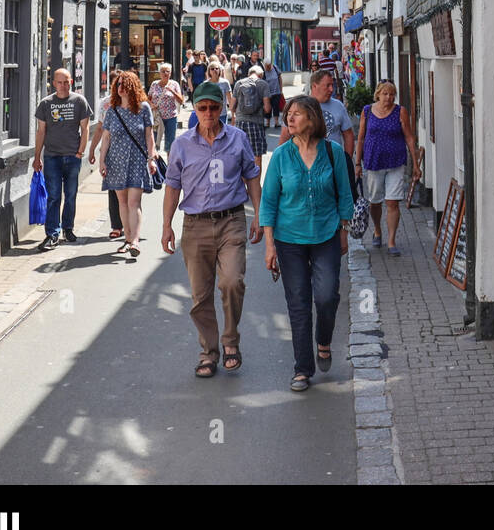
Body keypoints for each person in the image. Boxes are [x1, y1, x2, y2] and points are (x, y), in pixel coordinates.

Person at [162, 82, 263, 378]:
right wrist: (166, 226)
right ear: (195, 109)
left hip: (231, 220)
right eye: (203, 108)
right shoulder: (181, 144)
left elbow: (252, 177)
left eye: (214, 108)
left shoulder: (238, 138)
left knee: (231, 281)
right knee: (200, 294)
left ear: (223, 108)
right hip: (195, 226)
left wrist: (259, 215)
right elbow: (172, 187)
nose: (208, 113)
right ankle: (208, 352)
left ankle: (230, 340)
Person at [261, 95, 353, 392]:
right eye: (289, 113)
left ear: (312, 119)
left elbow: (345, 194)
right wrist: (269, 244)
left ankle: (323, 341)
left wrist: (343, 229)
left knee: (327, 296)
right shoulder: (281, 156)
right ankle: (302, 369)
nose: (290, 118)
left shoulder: (333, 152)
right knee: (298, 304)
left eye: (297, 114)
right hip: (289, 240)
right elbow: (269, 201)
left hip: (326, 234)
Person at [96, 70, 157, 258]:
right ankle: (128, 239)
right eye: (118, 85)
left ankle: (136, 241)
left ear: (132, 87)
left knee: (133, 202)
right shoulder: (112, 111)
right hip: (115, 161)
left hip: (137, 161)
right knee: (122, 202)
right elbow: (106, 137)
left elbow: (149, 134)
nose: (120, 88)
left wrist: (151, 157)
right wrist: (102, 161)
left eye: (124, 84)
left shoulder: (143, 108)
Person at [354, 81, 418, 256]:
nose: (389, 98)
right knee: (375, 201)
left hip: (395, 162)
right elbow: (360, 138)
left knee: (392, 201)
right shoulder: (367, 111)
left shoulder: (400, 111)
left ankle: (391, 241)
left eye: (392, 94)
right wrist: (357, 163)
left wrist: (416, 164)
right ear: (378, 94)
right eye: (385, 94)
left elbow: (409, 138)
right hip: (374, 162)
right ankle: (377, 230)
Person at [33, 69, 92, 250]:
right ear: (53, 83)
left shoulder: (79, 101)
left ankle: (68, 228)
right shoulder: (46, 104)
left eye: (66, 82)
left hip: (72, 157)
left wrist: (80, 153)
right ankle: (52, 234)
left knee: (71, 195)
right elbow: (41, 132)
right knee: (54, 196)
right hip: (52, 157)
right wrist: (37, 157)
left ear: (71, 82)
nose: (63, 86)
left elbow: (85, 129)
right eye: (60, 82)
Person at [87, 77, 124, 239]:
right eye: (116, 85)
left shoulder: (136, 103)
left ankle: (131, 225)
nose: (119, 88)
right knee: (113, 189)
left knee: (132, 192)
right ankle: (117, 225)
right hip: (110, 152)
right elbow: (100, 128)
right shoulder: (106, 103)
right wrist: (92, 149)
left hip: (132, 154)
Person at [229, 63, 271, 167]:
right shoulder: (263, 84)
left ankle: (242, 182)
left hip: (240, 123)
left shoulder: (239, 83)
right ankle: (256, 182)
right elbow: (267, 108)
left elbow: (231, 107)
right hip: (256, 124)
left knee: (241, 155)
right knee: (257, 156)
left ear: (249, 74)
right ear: (260, 75)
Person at [148, 62, 184, 153]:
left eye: (167, 71)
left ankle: (170, 165)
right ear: (159, 73)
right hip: (157, 117)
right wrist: (152, 105)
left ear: (170, 73)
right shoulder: (154, 84)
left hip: (171, 117)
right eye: (163, 71)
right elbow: (147, 99)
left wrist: (172, 91)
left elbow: (181, 101)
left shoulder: (174, 84)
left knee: (170, 144)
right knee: (155, 142)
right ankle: (155, 164)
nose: (165, 73)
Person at [261, 56, 283, 129]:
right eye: (266, 66)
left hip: (276, 92)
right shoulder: (262, 72)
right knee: (268, 108)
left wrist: (281, 89)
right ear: (264, 65)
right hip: (267, 94)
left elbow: (280, 78)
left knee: (276, 107)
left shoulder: (275, 68)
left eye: (269, 65)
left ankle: (276, 122)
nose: (268, 67)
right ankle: (267, 122)